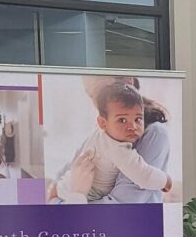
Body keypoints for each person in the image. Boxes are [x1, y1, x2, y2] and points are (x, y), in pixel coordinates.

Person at [52, 76, 171, 204]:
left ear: (127, 81)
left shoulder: (154, 133)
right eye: (91, 94)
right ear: (102, 122)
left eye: (100, 88)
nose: (132, 126)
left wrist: (68, 199)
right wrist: (165, 180)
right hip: (80, 196)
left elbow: (121, 203)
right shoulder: (109, 139)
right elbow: (143, 175)